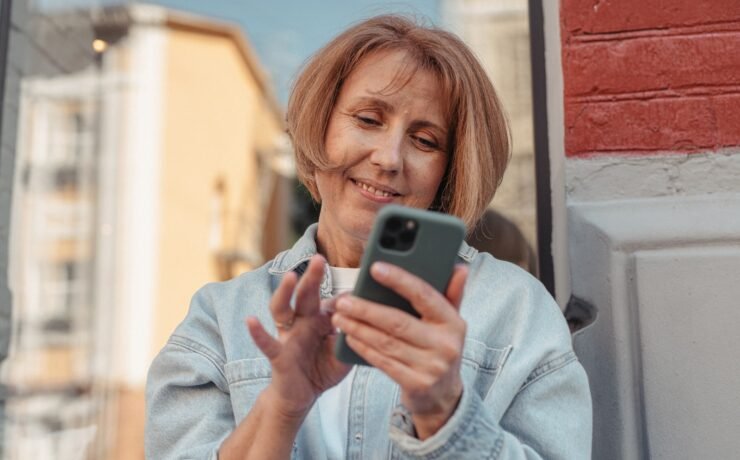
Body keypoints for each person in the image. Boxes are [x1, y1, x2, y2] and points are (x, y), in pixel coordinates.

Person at [145, 15, 592, 459]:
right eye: (368, 119)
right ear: (320, 125)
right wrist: (282, 408)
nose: (389, 158)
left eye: (425, 140)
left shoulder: (517, 312)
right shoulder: (221, 319)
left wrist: (445, 413)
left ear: (450, 170)